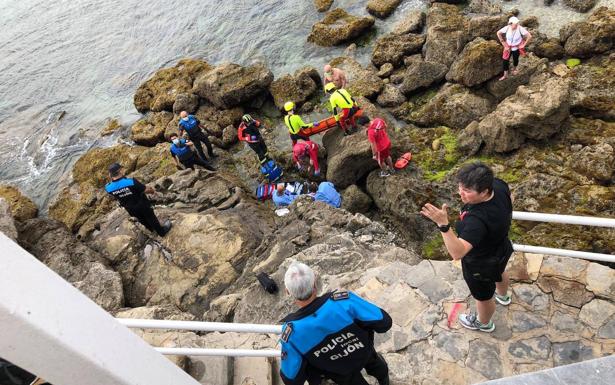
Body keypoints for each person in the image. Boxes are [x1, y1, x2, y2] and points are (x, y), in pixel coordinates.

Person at [420, 162, 513, 333]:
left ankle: (484, 323)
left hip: (480, 264)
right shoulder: (498, 186)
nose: (460, 193)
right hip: (502, 247)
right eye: (460, 187)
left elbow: (457, 252)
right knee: (500, 271)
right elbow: (510, 198)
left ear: (484, 191)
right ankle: (504, 296)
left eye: (467, 191)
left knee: (484, 298)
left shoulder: (476, 221)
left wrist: (443, 224)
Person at [279, 262, 391, 385]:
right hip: (364, 352)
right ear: (315, 283)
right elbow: (384, 322)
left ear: (288, 292)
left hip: (338, 371)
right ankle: (384, 380)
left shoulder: (292, 333)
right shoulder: (343, 302)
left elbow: (291, 378)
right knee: (377, 366)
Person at [105, 162, 172, 236]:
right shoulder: (131, 181)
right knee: (150, 217)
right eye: (122, 169)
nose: (123, 170)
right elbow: (145, 190)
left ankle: (151, 229)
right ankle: (161, 232)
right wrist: (153, 191)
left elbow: (114, 193)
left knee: (141, 218)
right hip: (142, 204)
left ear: (110, 175)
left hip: (129, 208)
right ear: (120, 171)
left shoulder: (108, 187)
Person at [497, 16, 532, 81]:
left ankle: (514, 69)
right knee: (505, 61)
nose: (516, 25)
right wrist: (503, 43)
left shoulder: (520, 28)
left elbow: (529, 36)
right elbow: (498, 33)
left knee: (515, 59)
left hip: (516, 48)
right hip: (508, 48)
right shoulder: (507, 28)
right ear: (510, 24)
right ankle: (505, 75)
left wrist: (524, 45)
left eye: (517, 24)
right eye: (515, 24)